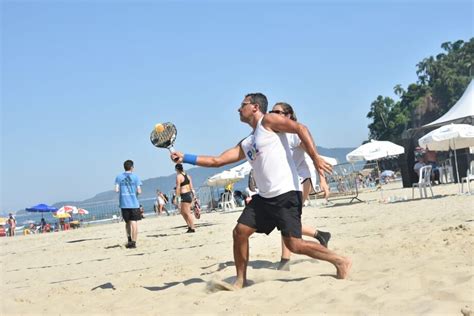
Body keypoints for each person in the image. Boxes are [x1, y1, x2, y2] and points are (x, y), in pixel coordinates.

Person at [170, 92, 351, 290]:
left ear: (255, 107)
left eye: (243, 104)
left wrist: (315, 157)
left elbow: (301, 128)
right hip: (264, 198)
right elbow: (217, 161)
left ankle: (340, 260)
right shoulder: (247, 142)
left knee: (294, 244)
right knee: (240, 232)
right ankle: (240, 280)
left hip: (286, 193)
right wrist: (185, 157)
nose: (238, 109)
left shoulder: (269, 121)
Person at [270, 102, 332, 271]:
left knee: (286, 220)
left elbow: (315, 157)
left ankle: (285, 261)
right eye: (272, 112)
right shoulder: (273, 135)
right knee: (288, 220)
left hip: (301, 180)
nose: (273, 114)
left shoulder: (294, 134)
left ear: (288, 115)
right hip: (285, 183)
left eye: (277, 112)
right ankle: (320, 235)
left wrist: (322, 180)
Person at [115, 159, 142, 249]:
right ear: (132, 167)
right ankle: (134, 242)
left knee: (127, 223)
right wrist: (135, 194)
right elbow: (139, 191)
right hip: (134, 203)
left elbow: (116, 190)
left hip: (124, 203)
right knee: (134, 222)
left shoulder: (118, 177)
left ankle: (129, 239)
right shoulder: (136, 177)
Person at [174, 163, 196, 233]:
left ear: (177, 169)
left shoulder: (179, 176)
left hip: (184, 195)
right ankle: (189, 226)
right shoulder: (188, 176)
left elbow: (178, 188)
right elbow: (191, 187)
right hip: (188, 194)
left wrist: (176, 198)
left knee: (187, 212)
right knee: (183, 212)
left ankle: (192, 228)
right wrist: (193, 196)